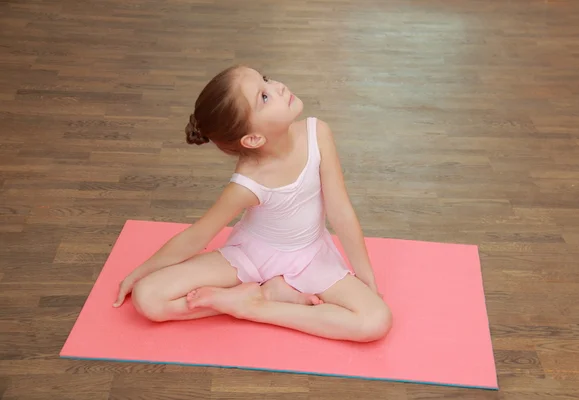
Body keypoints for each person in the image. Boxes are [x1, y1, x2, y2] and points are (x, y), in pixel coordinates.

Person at [112, 65, 392, 342]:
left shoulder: (317, 134)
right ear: (254, 138)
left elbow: (340, 211)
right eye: (265, 96)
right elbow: (197, 236)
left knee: (376, 321)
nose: (278, 86)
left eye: (267, 80)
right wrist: (141, 271)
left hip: (310, 259)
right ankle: (266, 296)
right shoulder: (246, 183)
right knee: (147, 298)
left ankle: (261, 302)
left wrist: (365, 274)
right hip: (251, 256)